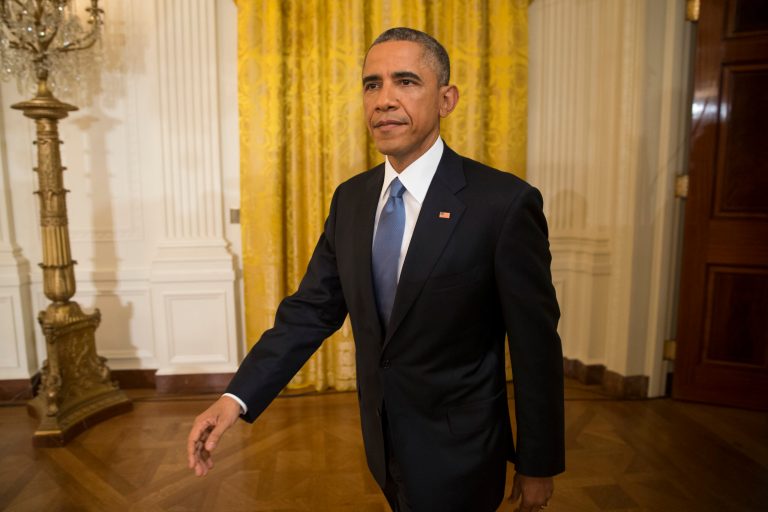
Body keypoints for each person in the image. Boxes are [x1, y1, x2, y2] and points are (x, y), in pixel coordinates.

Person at [187, 27, 564, 512]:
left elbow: (536, 346)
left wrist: (538, 462)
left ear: (446, 99)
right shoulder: (352, 199)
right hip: (381, 443)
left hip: (463, 454)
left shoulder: (504, 204)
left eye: (405, 82)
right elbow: (310, 312)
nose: (384, 100)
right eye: (372, 84)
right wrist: (234, 399)